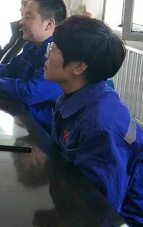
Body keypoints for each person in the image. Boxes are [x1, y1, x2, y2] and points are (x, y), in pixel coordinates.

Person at [44, 15, 142, 226]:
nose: (47, 54)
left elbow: (99, 210)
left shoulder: (100, 125)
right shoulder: (71, 97)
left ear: (79, 66)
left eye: (54, 49)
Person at [0, 0, 67, 128]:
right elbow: (10, 68)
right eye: (23, 16)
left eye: (28, 17)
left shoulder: (58, 55)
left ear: (49, 24)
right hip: (21, 121)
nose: (21, 22)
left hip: (41, 130)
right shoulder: (31, 46)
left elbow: (29, 93)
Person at [0, 0, 44, 66]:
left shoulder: (35, 39)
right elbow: (3, 54)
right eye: (21, 4)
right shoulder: (19, 29)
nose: (20, 9)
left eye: (25, 4)